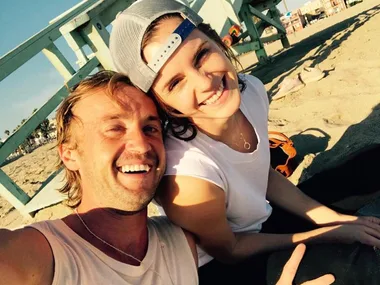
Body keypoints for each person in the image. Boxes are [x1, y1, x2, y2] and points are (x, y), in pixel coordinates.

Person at [109, 0, 380, 284]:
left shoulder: (250, 91)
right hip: (230, 264)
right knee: (362, 268)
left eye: (201, 55)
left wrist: (330, 218)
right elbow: (229, 250)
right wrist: (326, 233)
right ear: (161, 102)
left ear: (216, 40)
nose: (204, 83)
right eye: (175, 83)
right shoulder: (187, 173)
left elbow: (262, 174)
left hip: (262, 221)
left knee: (369, 163)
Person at [0, 71, 198, 285]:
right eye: (115, 129)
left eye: (150, 128)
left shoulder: (182, 242)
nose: (141, 145)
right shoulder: (41, 258)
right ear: (69, 155)